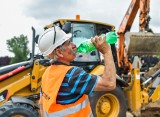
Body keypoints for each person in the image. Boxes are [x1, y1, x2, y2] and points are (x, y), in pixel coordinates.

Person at [38, 26, 116, 117]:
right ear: (59, 52)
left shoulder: (47, 73)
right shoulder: (72, 75)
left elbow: (41, 103)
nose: (74, 45)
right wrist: (106, 52)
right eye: (68, 43)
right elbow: (109, 84)